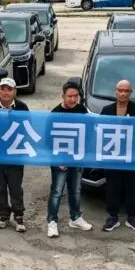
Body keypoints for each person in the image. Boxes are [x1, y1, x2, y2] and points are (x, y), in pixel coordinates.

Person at [46, 82, 94, 238]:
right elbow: (48, 140)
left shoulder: (82, 110)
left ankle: (75, 218)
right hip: (60, 160)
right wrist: (57, 160)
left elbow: (89, 133)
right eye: (69, 96)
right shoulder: (55, 113)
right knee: (57, 191)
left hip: (77, 158)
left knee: (75, 190)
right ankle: (52, 222)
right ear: (63, 96)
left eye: (76, 96)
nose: (73, 99)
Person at [101, 79, 135, 232]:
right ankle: (112, 217)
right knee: (112, 187)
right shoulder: (106, 110)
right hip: (112, 156)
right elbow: (99, 132)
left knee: (132, 186)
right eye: (120, 90)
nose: (122, 93)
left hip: (131, 156)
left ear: (130, 93)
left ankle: (132, 217)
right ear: (115, 91)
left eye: (126, 91)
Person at [0, 77, 29, 232]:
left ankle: (19, 216)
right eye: (3, 89)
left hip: (14, 155)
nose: (5, 92)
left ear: (15, 92)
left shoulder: (22, 107)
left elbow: (27, 129)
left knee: (15, 187)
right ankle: (3, 215)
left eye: (9, 89)